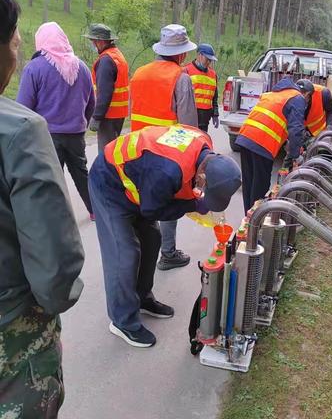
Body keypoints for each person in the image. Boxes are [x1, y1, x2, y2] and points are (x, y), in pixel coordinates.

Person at [0, 0, 85, 418]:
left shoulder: (37, 70)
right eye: (14, 38)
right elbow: (55, 268)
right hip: (11, 339)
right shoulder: (17, 131)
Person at [88, 124, 241, 347]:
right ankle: (122, 321)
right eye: (206, 189)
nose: (203, 191)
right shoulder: (167, 172)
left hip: (141, 180)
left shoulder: (203, 144)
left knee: (152, 239)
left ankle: (142, 297)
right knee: (125, 253)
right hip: (109, 183)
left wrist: (194, 199)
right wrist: (192, 204)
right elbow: (153, 210)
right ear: (203, 174)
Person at [130, 24, 198, 271]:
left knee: (139, 201)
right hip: (167, 153)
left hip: (137, 149)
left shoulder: (138, 73)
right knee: (168, 201)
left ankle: (138, 252)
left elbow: (132, 113)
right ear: (181, 54)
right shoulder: (180, 78)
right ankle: (167, 253)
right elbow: (189, 126)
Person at [17, 22, 96, 220]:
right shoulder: (82, 68)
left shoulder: (34, 68)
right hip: (76, 134)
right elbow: (91, 103)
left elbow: (23, 108)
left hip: (47, 135)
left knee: (51, 177)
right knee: (81, 173)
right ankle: (95, 210)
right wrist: (80, 123)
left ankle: (56, 218)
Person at [236, 77, 314, 214]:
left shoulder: (275, 93)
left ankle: (247, 219)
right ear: (307, 95)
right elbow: (296, 129)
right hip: (262, 142)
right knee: (260, 185)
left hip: (245, 137)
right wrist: (295, 157)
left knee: (249, 182)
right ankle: (255, 222)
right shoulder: (298, 98)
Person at [83, 23, 129, 153]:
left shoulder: (106, 61)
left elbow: (104, 92)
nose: (92, 44)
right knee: (113, 153)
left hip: (108, 116)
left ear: (100, 41)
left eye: (93, 41)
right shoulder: (117, 55)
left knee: (106, 155)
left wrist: (97, 117)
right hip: (118, 114)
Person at [184, 43, 219, 132]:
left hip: (205, 119)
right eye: (207, 59)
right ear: (199, 55)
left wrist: (215, 114)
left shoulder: (213, 74)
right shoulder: (186, 70)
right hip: (190, 118)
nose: (209, 62)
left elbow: (214, 97)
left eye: (210, 60)